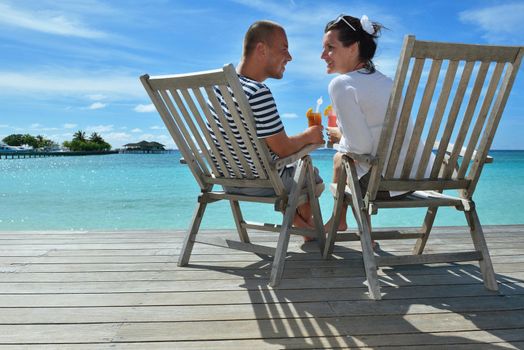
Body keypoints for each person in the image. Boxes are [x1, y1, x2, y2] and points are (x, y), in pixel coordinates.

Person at [212, 20, 325, 238]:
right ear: (261, 49)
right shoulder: (258, 92)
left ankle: (301, 227)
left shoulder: (219, 90)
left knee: (291, 172)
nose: (290, 57)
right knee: (310, 173)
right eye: (284, 49)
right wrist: (309, 136)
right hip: (262, 183)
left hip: (225, 181)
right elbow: (283, 149)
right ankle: (305, 230)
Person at [321, 14, 433, 232]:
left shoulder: (341, 85)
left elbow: (360, 148)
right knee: (344, 158)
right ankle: (342, 221)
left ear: (353, 48)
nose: (323, 55)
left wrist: (339, 137)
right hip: (416, 177)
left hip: (383, 185)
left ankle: (346, 224)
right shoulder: (389, 83)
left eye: (330, 48)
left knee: (341, 158)